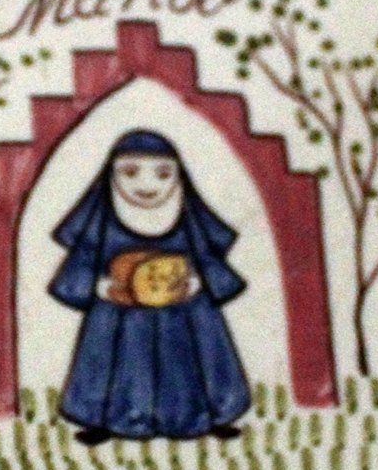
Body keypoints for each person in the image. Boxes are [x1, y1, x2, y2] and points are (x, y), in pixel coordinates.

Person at [48, 130, 251, 443]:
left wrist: (199, 281)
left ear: (178, 176)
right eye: (130, 172)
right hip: (119, 313)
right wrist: (99, 287)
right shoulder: (101, 222)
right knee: (116, 364)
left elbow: (208, 258)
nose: (147, 184)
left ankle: (208, 415)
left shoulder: (187, 217)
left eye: (163, 174)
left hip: (185, 312)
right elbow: (81, 263)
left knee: (196, 361)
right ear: (112, 175)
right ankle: (105, 419)